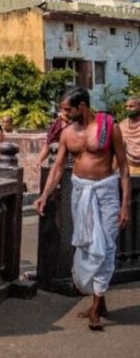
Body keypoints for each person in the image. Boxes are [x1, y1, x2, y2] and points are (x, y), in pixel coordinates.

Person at [35, 87, 130, 331]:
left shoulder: (110, 127)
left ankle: (95, 310)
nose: (63, 113)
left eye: (68, 109)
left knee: (106, 246)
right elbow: (57, 167)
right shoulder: (67, 133)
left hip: (106, 192)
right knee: (88, 244)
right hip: (80, 192)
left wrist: (125, 205)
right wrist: (44, 195)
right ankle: (100, 301)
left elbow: (123, 168)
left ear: (83, 107)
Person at [120, 96, 140, 177]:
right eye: (126, 106)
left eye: (131, 106)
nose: (128, 109)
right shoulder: (122, 126)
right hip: (129, 168)